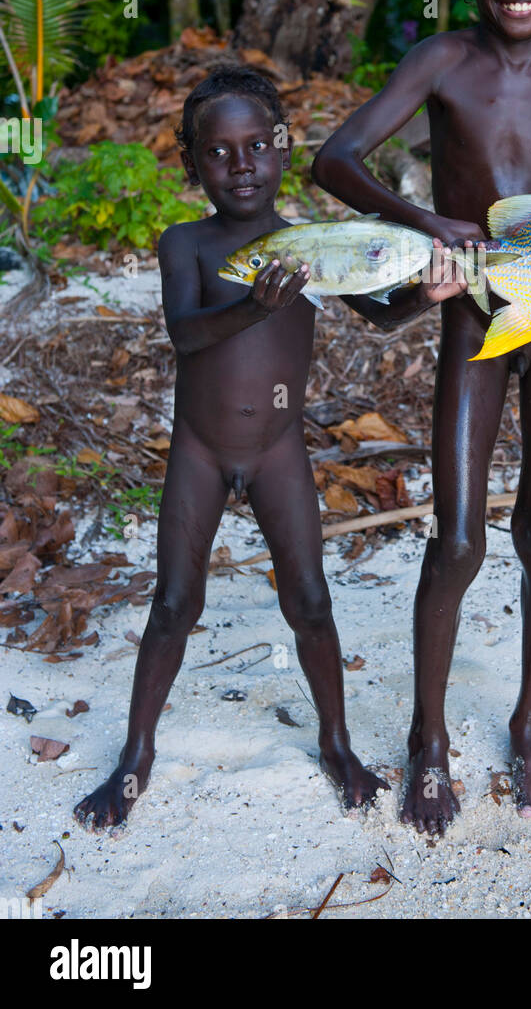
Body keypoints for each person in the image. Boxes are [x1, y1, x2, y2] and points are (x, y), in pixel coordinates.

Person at [74, 63, 465, 829]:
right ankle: (134, 756)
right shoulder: (183, 243)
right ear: (191, 163)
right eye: (218, 152)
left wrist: (426, 295)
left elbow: (378, 314)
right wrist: (254, 306)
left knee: (311, 603)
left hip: (279, 447)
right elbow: (186, 336)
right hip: (202, 447)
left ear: (282, 151)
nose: (241, 164)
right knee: (174, 605)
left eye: (257, 147)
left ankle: (337, 742)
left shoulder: (308, 243)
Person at [313, 0, 531, 834]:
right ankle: (428, 741)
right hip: (477, 321)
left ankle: (530, 728)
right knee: (455, 539)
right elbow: (334, 158)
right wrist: (429, 223)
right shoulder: (442, 61)